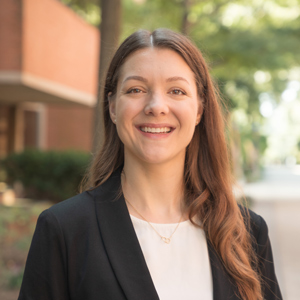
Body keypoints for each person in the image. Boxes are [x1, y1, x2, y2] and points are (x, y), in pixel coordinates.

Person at [18, 28, 282, 300]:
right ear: (112, 107)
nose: (156, 106)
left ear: (200, 110)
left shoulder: (246, 232)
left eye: (176, 91)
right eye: (136, 89)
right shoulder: (65, 230)